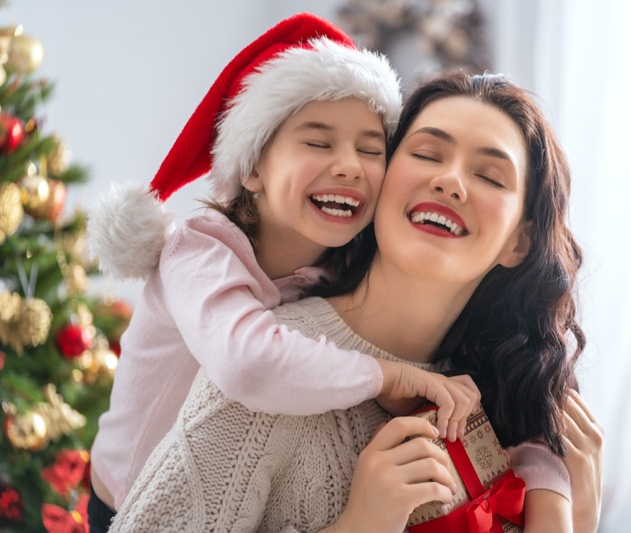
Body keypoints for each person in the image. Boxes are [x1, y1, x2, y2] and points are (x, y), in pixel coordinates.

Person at [108, 70, 602, 532]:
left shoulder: (507, 394)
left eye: (491, 177)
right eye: (427, 154)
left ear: (519, 242)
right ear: (382, 180)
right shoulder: (275, 370)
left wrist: (578, 512)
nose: (450, 181)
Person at [86, 13, 482, 532]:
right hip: (130, 502)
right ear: (253, 169)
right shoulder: (198, 251)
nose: (350, 166)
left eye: (370, 148)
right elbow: (248, 364)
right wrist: (385, 376)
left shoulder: (340, 266)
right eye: (319, 143)